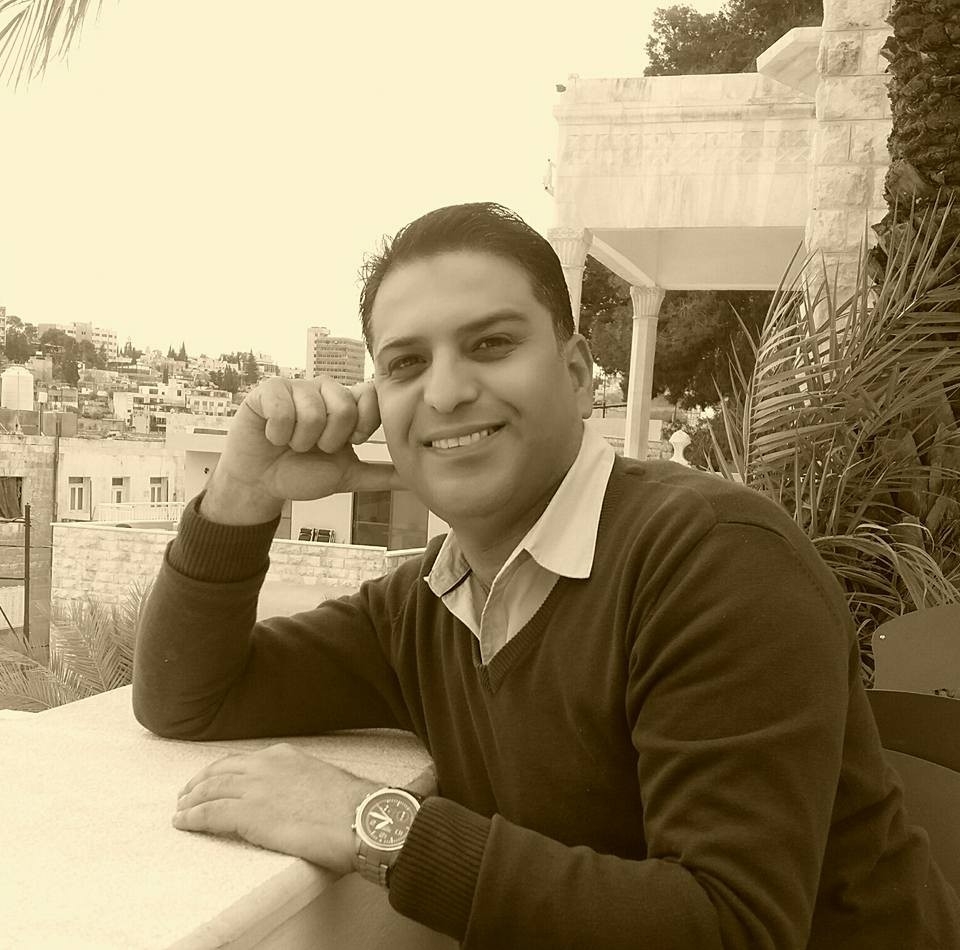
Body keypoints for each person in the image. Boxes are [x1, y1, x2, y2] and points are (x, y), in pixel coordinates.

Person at [133, 202, 960, 949]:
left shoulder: (716, 559)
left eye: (491, 344)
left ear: (577, 375)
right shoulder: (430, 605)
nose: (446, 391)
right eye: (406, 363)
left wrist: (373, 822)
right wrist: (242, 492)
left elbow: (729, 924)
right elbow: (188, 695)